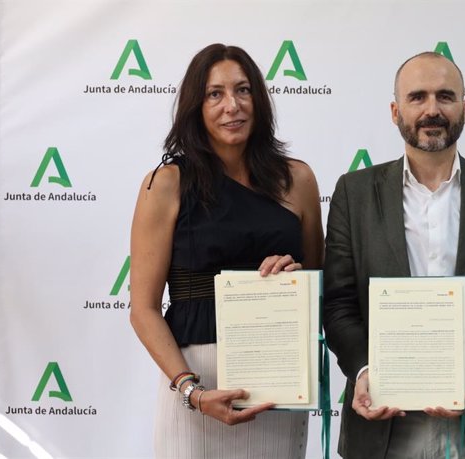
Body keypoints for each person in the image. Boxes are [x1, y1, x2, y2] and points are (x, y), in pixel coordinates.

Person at [323, 51, 465, 458]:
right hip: (382, 427)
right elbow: (338, 304)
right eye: (417, 97)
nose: (432, 110)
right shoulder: (353, 194)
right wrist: (364, 370)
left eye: (445, 96)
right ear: (395, 111)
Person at [129, 44, 324, 459]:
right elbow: (142, 308)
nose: (231, 106)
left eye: (243, 90)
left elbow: (320, 287)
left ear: (259, 99)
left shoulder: (299, 179)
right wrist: (191, 391)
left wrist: (296, 276)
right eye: (215, 94)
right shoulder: (165, 183)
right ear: (195, 106)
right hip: (198, 385)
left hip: (277, 382)